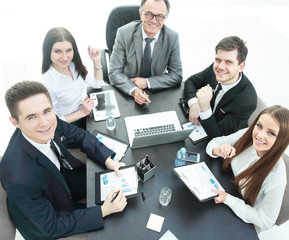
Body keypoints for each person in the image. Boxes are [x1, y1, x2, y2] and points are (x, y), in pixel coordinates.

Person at [0, 81, 127, 239]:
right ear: (15, 122)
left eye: (46, 111)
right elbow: (52, 225)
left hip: (60, 179)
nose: (44, 123)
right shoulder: (19, 178)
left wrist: (108, 159)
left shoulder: (49, 120)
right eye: (31, 117)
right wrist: (103, 211)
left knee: (115, 185)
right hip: (48, 219)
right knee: (114, 222)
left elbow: (79, 135)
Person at [206, 105, 289, 232]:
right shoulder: (248, 134)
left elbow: (265, 221)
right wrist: (218, 150)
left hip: (243, 213)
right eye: (259, 126)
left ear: (282, 140)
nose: (260, 135)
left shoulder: (276, 178)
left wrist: (228, 199)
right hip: (227, 186)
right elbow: (215, 142)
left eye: (271, 133)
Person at [109, 0, 183, 105]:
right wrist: (133, 90)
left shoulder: (172, 37)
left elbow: (176, 75)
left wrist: (147, 82)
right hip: (127, 89)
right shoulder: (124, 33)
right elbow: (114, 72)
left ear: (165, 18)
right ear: (141, 14)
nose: (154, 21)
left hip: (156, 91)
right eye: (149, 14)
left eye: (160, 16)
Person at [184, 36, 257, 138]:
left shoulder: (246, 101)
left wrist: (204, 108)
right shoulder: (216, 70)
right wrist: (194, 104)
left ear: (241, 66)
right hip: (201, 125)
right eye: (218, 60)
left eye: (229, 62)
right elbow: (191, 81)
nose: (220, 67)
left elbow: (218, 134)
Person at [41, 27, 103, 129]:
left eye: (68, 50)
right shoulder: (46, 84)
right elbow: (51, 121)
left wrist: (96, 61)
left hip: (84, 116)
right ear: (48, 52)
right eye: (58, 51)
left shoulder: (73, 66)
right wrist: (82, 112)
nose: (65, 57)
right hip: (68, 126)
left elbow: (97, 84)